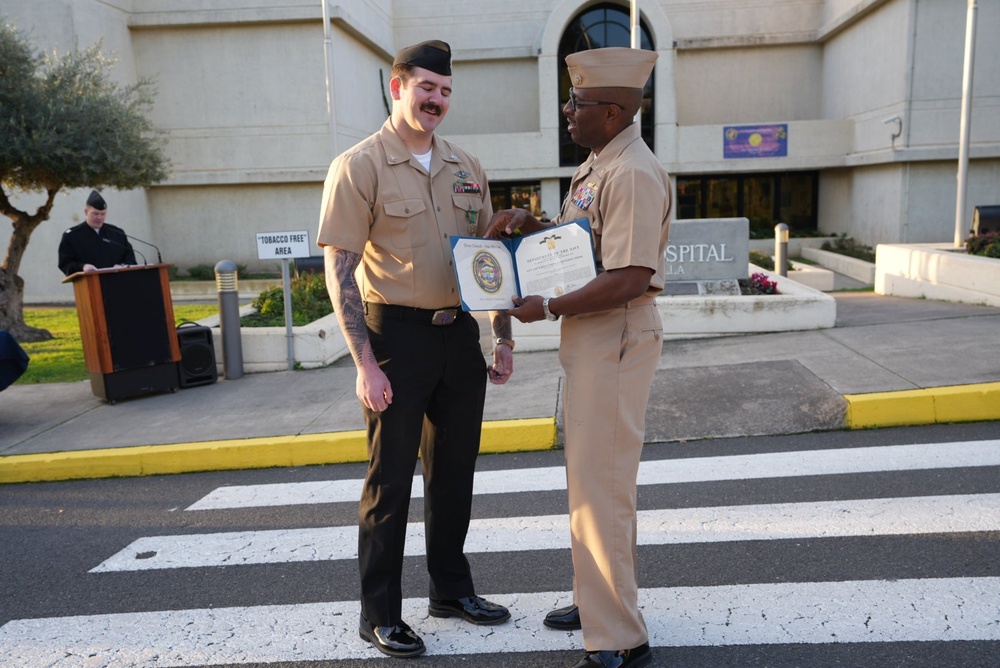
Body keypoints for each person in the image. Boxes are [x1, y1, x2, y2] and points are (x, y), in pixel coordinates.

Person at [316, 39, 514, 659]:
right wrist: (365, 364)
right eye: (427, 87)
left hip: (458, 335)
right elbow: (340, 271)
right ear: (398, 87)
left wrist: (500, 336)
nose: (437, 100)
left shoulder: (466, 166)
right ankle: (378, 614)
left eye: (447, 91)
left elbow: (491, 264)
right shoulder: (359, 165)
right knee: (391, 483)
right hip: (394, 337)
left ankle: (450, 591)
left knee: (454, 476)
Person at [487, 47, 669, 668]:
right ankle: (594, 598)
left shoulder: (633, 173)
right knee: (587, 481)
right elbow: (581, 249)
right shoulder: (599, 165)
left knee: (604, 487)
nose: (567, 111)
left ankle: (618, 634)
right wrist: (530, 223)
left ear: (613, 110)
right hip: (594, 341)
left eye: (577, 103)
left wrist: (551, 306)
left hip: (613, 335)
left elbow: (629, 276)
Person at [58, 190, 136, 276]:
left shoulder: (117, 233)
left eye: (103, 214)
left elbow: (130, 259)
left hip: (119, 281)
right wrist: (83, 267)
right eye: (95, 214)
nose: (99, 217)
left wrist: (122, 266)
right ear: (86, 212)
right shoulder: (72, 236)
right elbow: (65, 264)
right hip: (89, 284)